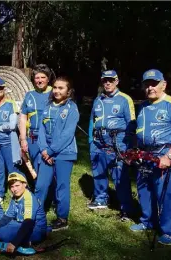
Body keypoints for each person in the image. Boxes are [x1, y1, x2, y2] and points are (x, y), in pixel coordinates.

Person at [129, 69, 171, 245]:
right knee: (144, 191)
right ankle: (147, 221)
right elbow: (137, 132)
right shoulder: (142, 106)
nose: (150, 87)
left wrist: (169, 156)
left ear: (163, 84)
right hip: (144, 157)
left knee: (165, 194)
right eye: (147, 84)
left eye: (154, 83)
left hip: (164, 158)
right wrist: (135, 151)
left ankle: (168, 231)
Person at [88, 70, 135, 221]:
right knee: (98, 172)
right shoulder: (98, 99)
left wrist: (129, 146)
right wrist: (90, 141)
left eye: (110, 80)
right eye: (105, 81)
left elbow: (132, 124)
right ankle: (101, 198)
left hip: (118, 142)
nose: (107, 83)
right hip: (98, 142)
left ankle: (126, 208)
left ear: (117, 81)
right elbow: (91, 120)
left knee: (120, 176)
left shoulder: (124, 99)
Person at [36, 76, 79, 230]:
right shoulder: (48, 106)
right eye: (55, 87)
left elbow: (67, 135)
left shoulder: (71, 108)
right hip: (46, 153)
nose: (56, 90)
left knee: (61, 186)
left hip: (64, 153)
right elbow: (41, 130)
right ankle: (35, 213)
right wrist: (43, 150)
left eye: (61, 88)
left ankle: (62, 219)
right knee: (41, 185)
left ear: (68, 92)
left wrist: (51, 150)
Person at [0, 172, 47, 253]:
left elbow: (28, 223)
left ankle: (25, 242)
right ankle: (14, 239)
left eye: (17, 185)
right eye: (12, 186)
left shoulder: (29, 198)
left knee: (4, 234)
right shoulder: (15, 197)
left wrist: (14, 243)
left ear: (24, 184)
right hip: (21, 224)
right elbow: (7, 217)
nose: (14, 189)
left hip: (36, 228)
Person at [19, 64, 54, 180]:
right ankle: (40, 194)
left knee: (50, 167)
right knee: (36, 167)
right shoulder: (29, 95)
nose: (39, 81)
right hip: (33, 138)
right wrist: (23, 139)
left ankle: (50, 195)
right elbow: (23, 117)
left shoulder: (54, 94)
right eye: (37, 78)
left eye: (43, 77)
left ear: (48, 79)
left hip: (50, 138)